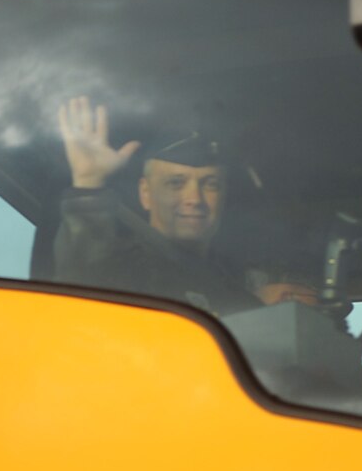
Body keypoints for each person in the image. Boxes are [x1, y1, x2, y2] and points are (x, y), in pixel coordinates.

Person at [53, 95, 262, 315]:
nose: (195, 199)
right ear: (145, 193)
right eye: (176, 183)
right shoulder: (118, 272)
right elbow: (79, 281)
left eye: (210, 184)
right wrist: (88, 183)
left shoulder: (240, 300)